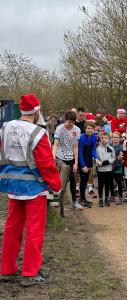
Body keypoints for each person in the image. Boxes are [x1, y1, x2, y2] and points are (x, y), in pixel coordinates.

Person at [0, 94, 62, 286]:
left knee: (12, 228)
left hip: (12, 185)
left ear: (21, 109)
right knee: (35, 230)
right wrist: (56, 185)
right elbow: (46, 163)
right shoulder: (37, 133)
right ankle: (30, 272)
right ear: (36, 111)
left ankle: (7, 269)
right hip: (33, 187)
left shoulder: (5, 127)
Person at [52, 110, 83, 210]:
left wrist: (76, 163)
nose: (71, 124)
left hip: (71, 158)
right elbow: (55, 144)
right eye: (69, 122)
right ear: (65, 120)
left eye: (73, 122)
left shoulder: (77, 130)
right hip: (59, 156)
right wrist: (53, 157)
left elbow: (76, 147)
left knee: (73, 180)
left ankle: (74, 202)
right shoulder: (59, 128)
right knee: (58, 179)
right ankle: (55, 200)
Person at [78, 121, 98, 208]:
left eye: (91, 128)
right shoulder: (82, 138)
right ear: (85, 129)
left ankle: (83, 198)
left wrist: (96, 158)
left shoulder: (94, 137)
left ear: (94, 129)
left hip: (89, 160)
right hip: (82, 160)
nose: (89, 130)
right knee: (83, 181)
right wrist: (83, 166)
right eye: (88, 128)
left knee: (86, 180)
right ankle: (81, 199)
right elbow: (80, 153)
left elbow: (93, 149)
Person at [96, 132, 115, 207]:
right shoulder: (98, 149)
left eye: (106, 138)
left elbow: (113, 158)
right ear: (100, 139)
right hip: (100, 170)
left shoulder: (111, 148)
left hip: (108, 169)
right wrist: (98, 162)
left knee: (107, 184)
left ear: (109, 139)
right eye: (102, 138)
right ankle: (100, 199)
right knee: (100, 185)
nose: (104, 139)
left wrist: (108, 161)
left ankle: (107, 198)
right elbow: (95, 158)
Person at [110, 131, 124, 205]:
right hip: (110, 166)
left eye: (116, 137)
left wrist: (120, 159)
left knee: (119, 182)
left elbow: (122, 158)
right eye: (113, 137)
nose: (115, 139)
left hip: (118, 167)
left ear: (120, 138)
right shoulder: (109, 146)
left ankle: (120, 197)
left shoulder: (121, 147)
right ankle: (112, 196)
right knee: (110, 181)